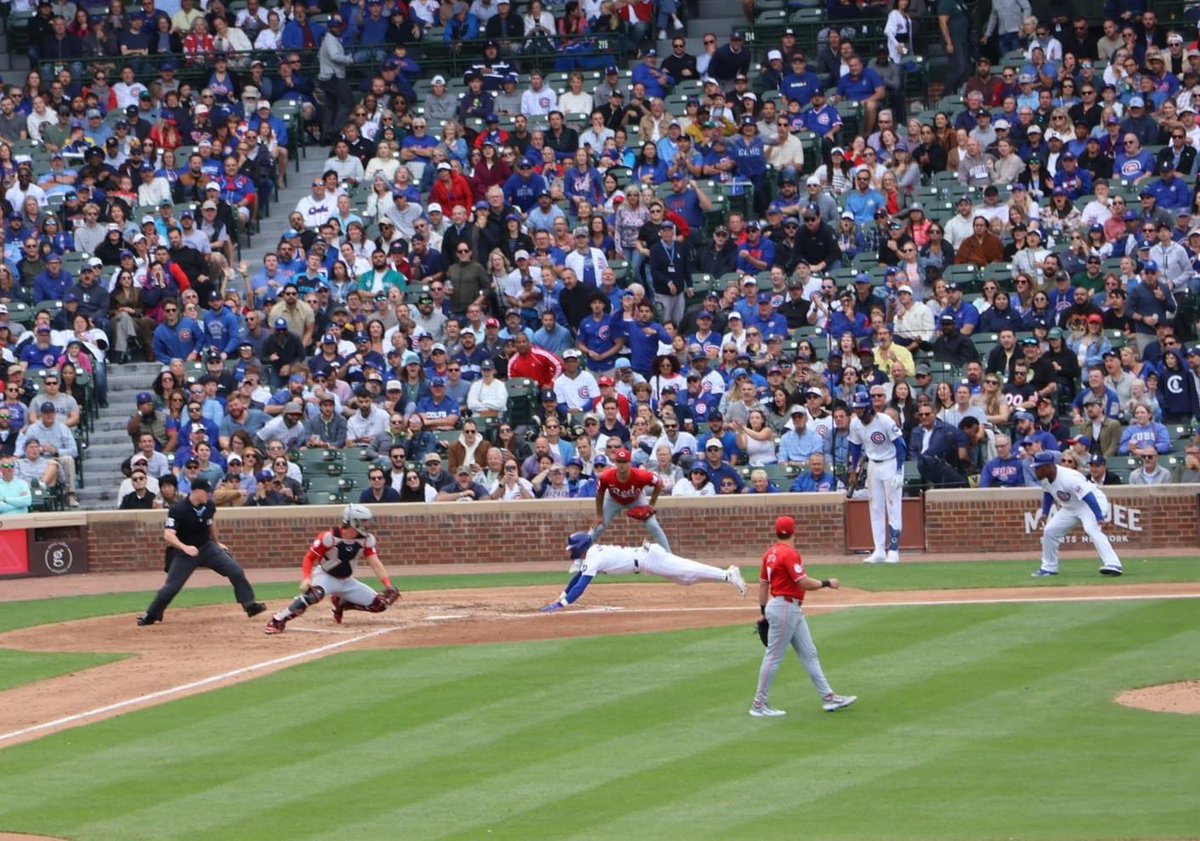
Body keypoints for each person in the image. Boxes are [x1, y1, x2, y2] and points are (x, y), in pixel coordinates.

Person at [749, 515, 857, 718]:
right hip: (785, 608)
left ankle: (828, 697)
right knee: (773, 657)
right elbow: (803, 581)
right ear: (793, 531)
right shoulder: (789, 554)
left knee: (809, 653)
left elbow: (763, 584)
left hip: (786, 608)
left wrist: (764, 612)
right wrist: (827, 583)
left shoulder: (770, 554)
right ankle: (758, 704)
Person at [137, 479, 267, 626]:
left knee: (235, 571)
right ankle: (151, 614)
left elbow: (210, 523)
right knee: (171, 587)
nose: (209, 495)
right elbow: (168, 535)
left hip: (207, 547)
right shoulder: (179, 509)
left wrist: (217, 543)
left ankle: (249, 604)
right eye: (207, 492)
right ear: (197, 491)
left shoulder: (209, 506)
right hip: (185, 552)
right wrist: (185, 548)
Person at [265, 505, 400, 634]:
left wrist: (388, 585)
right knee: (314, 595)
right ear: (353, 521)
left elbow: (375, 563)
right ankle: (278, 619)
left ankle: (342, 603)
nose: (367, 524)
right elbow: (309, 558)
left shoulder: (366, 540)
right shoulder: (329, 537)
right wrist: (307, 578)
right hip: (326, 576)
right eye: (363, 521)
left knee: (380, 605)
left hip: (347, 581)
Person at [539, 531, 746, 611]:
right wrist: (564, 595)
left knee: (685, 569)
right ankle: (725, 575)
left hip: (649, 558)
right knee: (686, 579)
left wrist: (561, 604)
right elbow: (577, 577)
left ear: (579, 547)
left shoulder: (593, 555)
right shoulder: (592, 554)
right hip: (646, 560)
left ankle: (727, 574)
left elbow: (582, 585)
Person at [1029, 451, 1123, 578]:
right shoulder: (1045, 477)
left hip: (1091, 503)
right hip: (1071, 507)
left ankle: (1113, 564)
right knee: (1050, 531)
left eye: (1038, 467)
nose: (1036, 470)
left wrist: (1099, 517)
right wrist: (1045, 513)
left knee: (1092, 529)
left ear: (1048, 467)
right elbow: (1048, 493)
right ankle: (1049, 568)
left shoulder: (1068, 477)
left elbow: (1088, 496)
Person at [848, 390, 906, 564]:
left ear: (868, 408)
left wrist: (898, 471)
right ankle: (879, 549)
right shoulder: (855, 424)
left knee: (893, 506)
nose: (858, 412)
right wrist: (853, 470)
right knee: (875, 507)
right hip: (873, 463)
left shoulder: (884, 421)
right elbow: (855, 447)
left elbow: (901, 446)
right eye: (856, 409)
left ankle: (894, 549)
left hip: (890, 461)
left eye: (860, 409)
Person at [590, 447, 669, 551]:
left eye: (625, 461)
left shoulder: (641, 475)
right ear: (615, 463)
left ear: (630, 462)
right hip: (613, 499)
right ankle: (580, 558)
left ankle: (669, 556)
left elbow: (659, 483)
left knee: (653, 526)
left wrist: (651, 504)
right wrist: (599, 515)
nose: (622, 465)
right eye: (619, 461)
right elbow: (599, 494)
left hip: (636, 499)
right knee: (598, 527)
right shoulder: (606, 476)